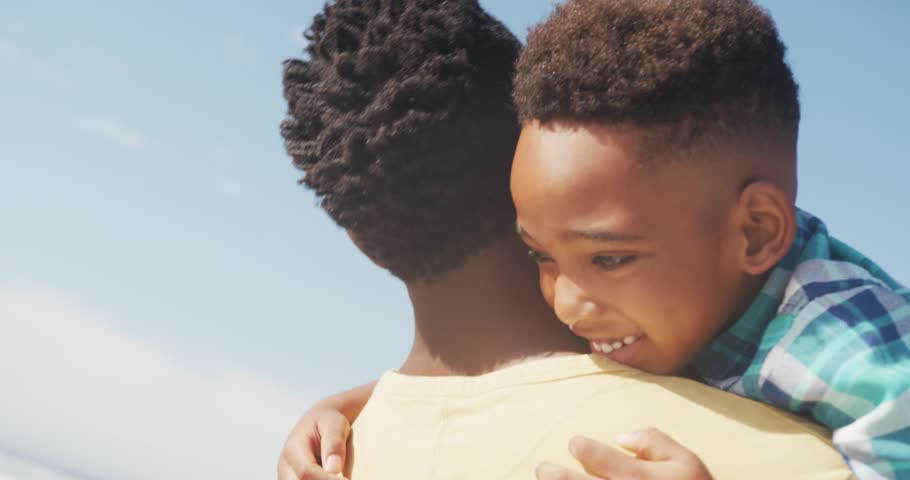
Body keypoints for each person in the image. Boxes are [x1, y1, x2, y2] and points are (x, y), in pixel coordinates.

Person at [277, 1, 854, 479]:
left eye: (610, 258)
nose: (572, 301)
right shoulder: (810, 454)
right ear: (531, 159)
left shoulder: (327, 457)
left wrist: (366, 403)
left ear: (359, 239)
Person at [508, 0, 910, 478]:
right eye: (540, 254)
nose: (566, 305)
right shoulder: (696, 303)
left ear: (756, 234)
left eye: (610, 259)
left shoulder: (856, 363)